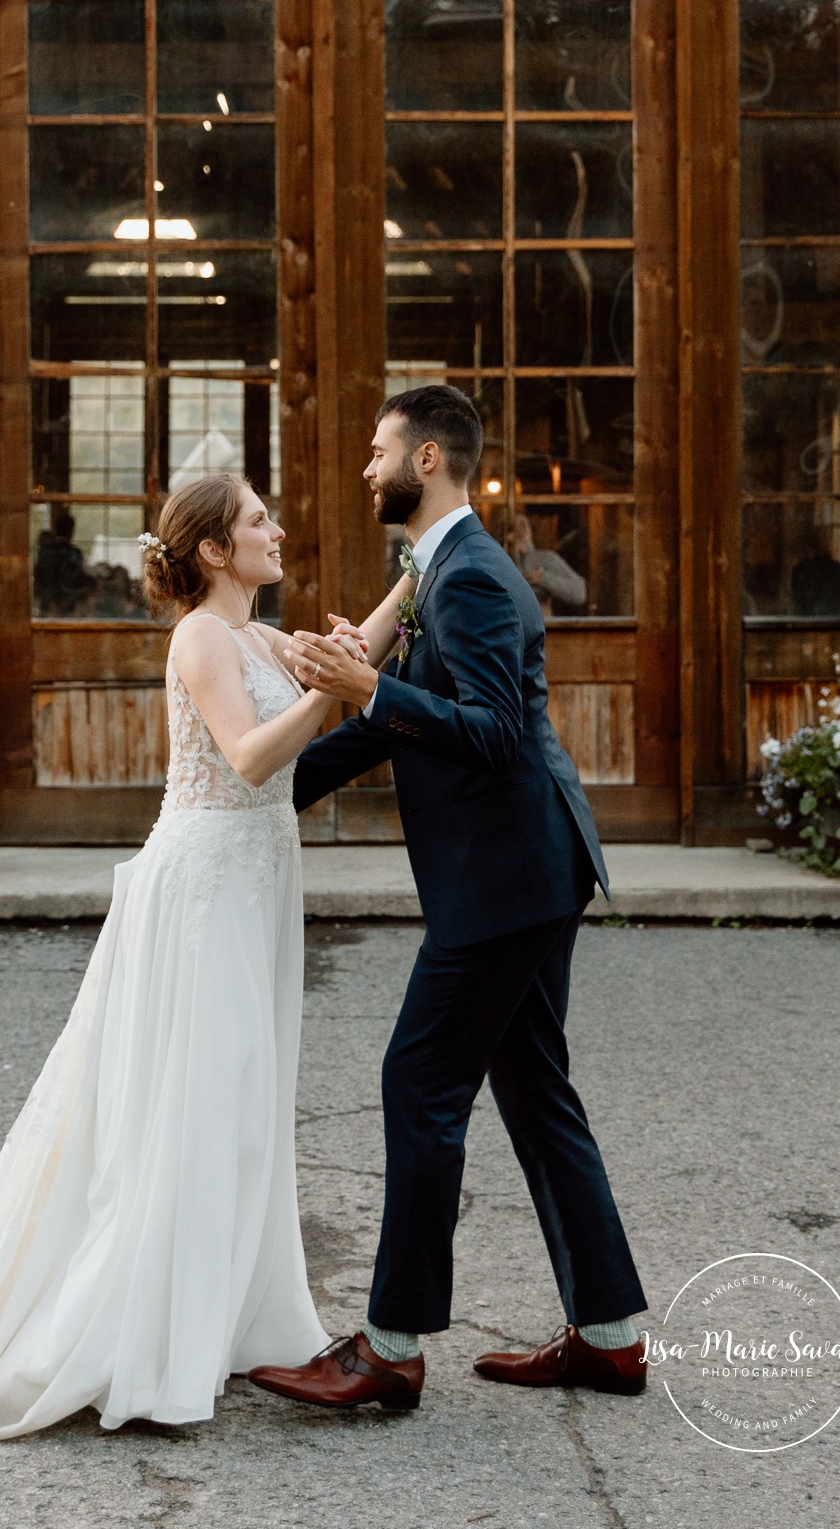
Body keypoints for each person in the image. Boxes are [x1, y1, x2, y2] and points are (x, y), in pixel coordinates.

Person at [0, 473, 339, 1433]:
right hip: (206, 881)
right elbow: (251, 755)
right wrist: (330, 700)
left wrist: (402, 597)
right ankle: (141, 1331)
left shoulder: (259, 636)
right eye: (261, 521)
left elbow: (345, 658)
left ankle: (230, 1315)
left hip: (256, 878)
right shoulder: (202, 636)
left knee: (246, 1095)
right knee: (192, 1094)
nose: (279, 530)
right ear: (215, 550)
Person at [246, 384, 648, 1414]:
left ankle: (390, 1347)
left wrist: (369, 685)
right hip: (532, 869)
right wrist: (266, 785)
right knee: (535, 1091)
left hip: (507, 882)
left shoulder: (467, 577)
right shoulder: (439, 569)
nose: (366, 468)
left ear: (427, 458)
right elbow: (394, 726)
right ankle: (609, 1338)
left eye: (378, 451)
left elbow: (491, 731)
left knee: (417, 1082)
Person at [512, 512, 588, 615]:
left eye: (523, 524)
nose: (519, 530)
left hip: (544, 627)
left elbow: (579, 592)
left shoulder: (545, 558)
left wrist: (543, 578)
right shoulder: (496, 561)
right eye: (512, 526)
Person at [32, 510, 91, 617]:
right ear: (71, 531)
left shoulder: (45, 552)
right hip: (67, 606)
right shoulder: (74, 554)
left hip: (47, 605)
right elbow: (79, 581)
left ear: (55, 529)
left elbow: (38, 577)